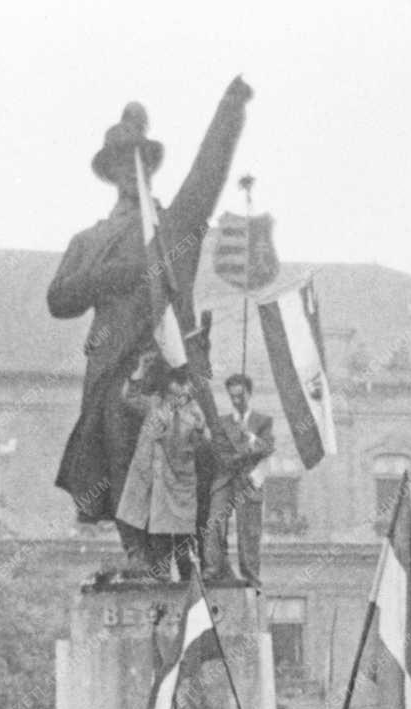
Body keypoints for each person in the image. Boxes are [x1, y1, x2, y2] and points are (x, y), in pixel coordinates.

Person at [47, 82, 252, 531]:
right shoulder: (90, 239)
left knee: (183, 457)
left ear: (147, 166)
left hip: (169, 361)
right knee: (119, 452)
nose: (129, 170)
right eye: (121, 162)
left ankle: (185, 559)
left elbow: (207, 174)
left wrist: (229, 110)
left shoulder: (171, 228)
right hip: (113, 364)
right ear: (110, 170)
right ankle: (138, 555)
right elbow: (59, 298)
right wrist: (107, 277)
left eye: (136, 160)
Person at [115, 361, 208, 575]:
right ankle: (161, 578)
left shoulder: (194, 412)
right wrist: (138, 372)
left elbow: (202, 444)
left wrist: (199, 431)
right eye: (173, 395)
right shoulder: (154, 405)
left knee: (184, 542)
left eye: (182, 395)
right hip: (155, 481)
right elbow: (129, 398)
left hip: (181, 482)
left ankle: (189, 583)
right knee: (159, 536)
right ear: (166, 392)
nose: (178, 400)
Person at [202, 373, 275, 587]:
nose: (236, 401)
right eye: (232, 396)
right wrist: (248, 453)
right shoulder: (221, 422)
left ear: (249, 394)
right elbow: (221, 453)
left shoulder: (263, 421)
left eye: (240, 396)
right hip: (225, 479)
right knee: (215, 521)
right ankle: (213, 568)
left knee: (249, 529)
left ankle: (251, 575)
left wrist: (250, 437)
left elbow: (268, 447)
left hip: (248, 481)